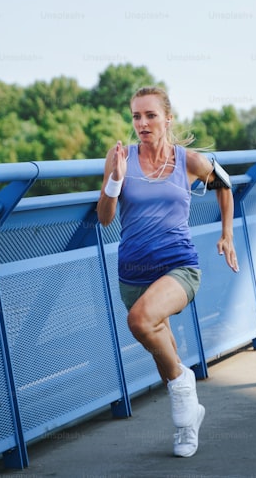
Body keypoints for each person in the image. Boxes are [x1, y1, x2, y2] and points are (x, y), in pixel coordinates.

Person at [96, 86, 239, 458]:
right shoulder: (120, 158)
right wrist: (115, 179)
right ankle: (188, 422)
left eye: (150, 115)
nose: (142, 123)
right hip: (133, 272)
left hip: (179, 266)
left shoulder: (186, 160)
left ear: (167, 119)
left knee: (140, 321)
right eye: (136, 117)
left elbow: (224, 184)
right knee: (167, 357)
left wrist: (227, 234)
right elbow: (105, 217)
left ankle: (182, 393)